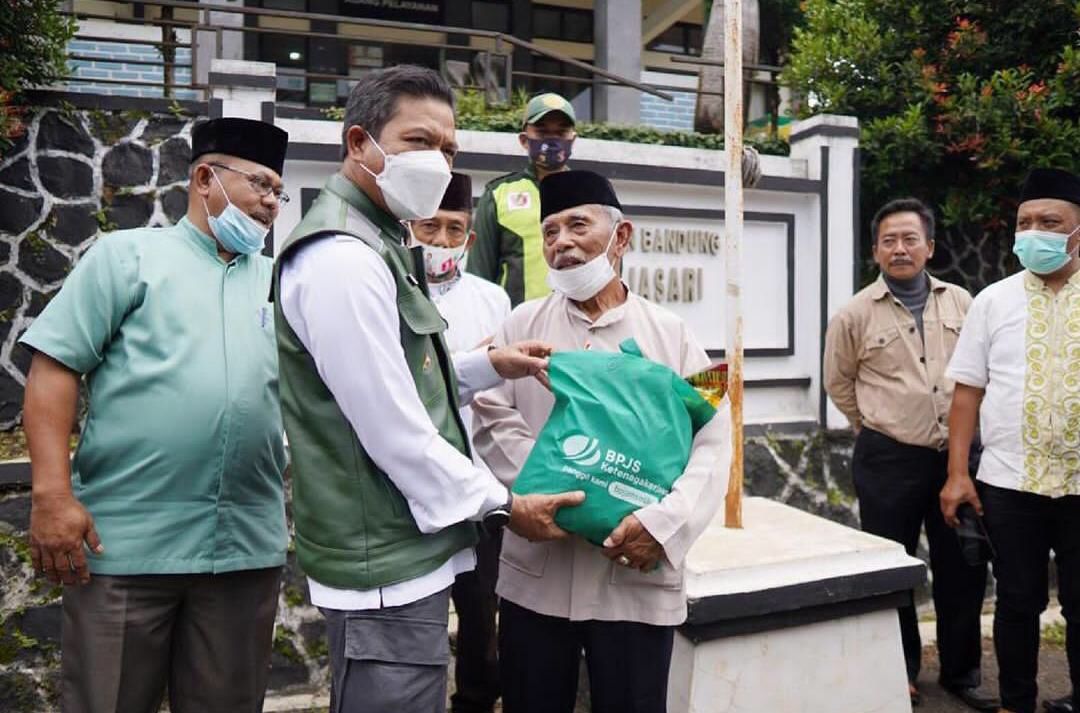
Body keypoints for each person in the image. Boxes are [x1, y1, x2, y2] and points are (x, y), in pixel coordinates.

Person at [273, 65, 585, 713]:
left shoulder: (380, 242)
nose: (438, 162)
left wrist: (487, 365)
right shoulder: (343, 258)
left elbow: (402, 371)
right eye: (419, 142)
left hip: (404, 548)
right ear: (360, 142)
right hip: (384, 562)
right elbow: (392, 426)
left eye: (449, 149)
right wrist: (503, 503)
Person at [20, 117, 290, 713]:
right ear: (204, 177)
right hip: (127, 545)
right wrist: (51, 494)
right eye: (260, 185)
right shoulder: (128, 257)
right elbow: (54, 368)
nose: (271, 203)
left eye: (279, 192)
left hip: (244, 549)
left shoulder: (281, 284)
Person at [471, 169, 732, 713]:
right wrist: (548, 488)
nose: (560, 242)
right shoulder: (520, 326)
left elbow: (713, 440)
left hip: (633, 572)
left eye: (577, 225)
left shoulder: (674, 335)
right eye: (549, 232)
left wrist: (662, 524)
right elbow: (490, 411)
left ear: (621, 236)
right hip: (537, 578)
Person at [823, 198, 996, 710]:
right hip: (888, 460)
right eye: (889, 241)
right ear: (875, 250)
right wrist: (873, 426)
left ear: (930, 247)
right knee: (891, 567)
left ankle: (962, 674)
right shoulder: (854, 313)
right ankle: (899, 670)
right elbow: (839, 381)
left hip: (958, 459)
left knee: (963, 565)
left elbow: (980, 371)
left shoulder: (962, 302)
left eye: (910, 239)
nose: (900, 249)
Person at [942, 167, 1080, 713]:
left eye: (1051, 221)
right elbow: (966, 394)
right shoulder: (992, 301)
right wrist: (957, 474)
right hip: (1009, 481)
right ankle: (1016, 703)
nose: (1035, 231)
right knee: (1017, 602)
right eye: (1025, 222)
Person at [410, 171, 511, 713]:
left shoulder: (495, 301)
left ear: (471, 239)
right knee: (419, 618)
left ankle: (474, 702)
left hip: (482, 489)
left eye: (455, 230)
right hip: (414, 492)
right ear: (410, 229)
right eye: (431, 227)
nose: (442, 242)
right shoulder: (389, 290)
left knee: (482, 618)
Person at [467, 92, 576, 306]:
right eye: (543, 132)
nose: (552, 140)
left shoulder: (591, 193)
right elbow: (479, 274)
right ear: (524, 140)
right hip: (515, 326)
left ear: (573, 139)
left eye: (561, 132)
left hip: (575, 327)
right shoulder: (498, 193)